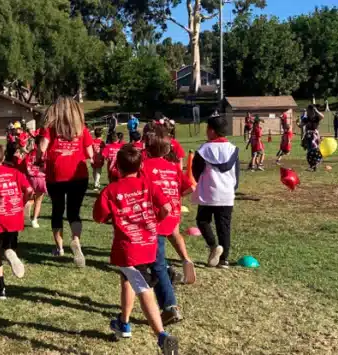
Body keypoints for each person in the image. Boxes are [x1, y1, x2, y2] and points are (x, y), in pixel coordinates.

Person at [93, 145, 179, 354]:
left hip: (129, 248)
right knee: (128, 280)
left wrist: (115, 218)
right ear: (141, 165)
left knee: (143, 287)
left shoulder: (111, 190)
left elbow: (98, 216)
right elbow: (167, 207)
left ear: (117, 167)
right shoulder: (147, 184)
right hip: (149, 241)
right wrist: (154, 221)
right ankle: (124, 323)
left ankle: (162, 336)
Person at [142, 134, 195, 324]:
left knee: (155, 262)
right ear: (167, 150)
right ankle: (168, 271)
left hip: (154, 217)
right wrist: (176, 197)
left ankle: (169, 306)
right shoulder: (173, 168)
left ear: (146, 148)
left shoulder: (144, 166)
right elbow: (191, 188)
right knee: (153, 257)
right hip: (171, 215)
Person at [36, 97, 94, 266]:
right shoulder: (81, 129)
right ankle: (76, 239)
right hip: (78, 174)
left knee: (57, 210)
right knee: (74, 211)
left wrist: (39, 159)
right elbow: (90, 153)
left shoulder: (51, 128)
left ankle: (59, 247)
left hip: (56, 174)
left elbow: (42, 147)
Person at [0, 143, 33, 299]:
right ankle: (10, 253)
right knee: (9, 246)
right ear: (3, 157)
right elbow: (29, 190)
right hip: (15, 216)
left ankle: (1, 288)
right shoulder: (15, 172)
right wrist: (23, 202)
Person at [192, 116, 240, 269]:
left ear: (212, 131)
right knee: (224, 226)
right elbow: (237, 174)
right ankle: (224, 260)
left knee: (202, 220)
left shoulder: (203, 150)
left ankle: (213, 246)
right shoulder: (233, 149)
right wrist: (233, 188)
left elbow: (196, 172)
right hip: (226, 193)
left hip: (208, 193)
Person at [24, 136, 47, 229]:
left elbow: (26, 165)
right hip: (41, 178)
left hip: (31, 178)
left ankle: (25, 214)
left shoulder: (30, 153)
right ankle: (34, 220)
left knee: (29, 199)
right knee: (38, 200)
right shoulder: (45, 153)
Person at [300, 105, 325, 171]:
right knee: (309, 151)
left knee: (315, 150)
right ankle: (312, 166)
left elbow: (322, 116)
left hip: (314, 136)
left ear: (312, 111)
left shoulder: (316, 117)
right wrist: (299, 123)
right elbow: (301, 125)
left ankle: (314, 165)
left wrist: (316, 110)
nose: (307, 111)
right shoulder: (306, 118)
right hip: (308, 136)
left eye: (308, 110)